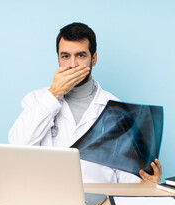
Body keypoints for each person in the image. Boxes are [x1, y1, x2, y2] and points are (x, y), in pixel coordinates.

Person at [9, 22, 162, 183]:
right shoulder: (37, 99)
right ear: (58, 59)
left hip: (102, 201)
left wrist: (143, 182)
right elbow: (18, 147)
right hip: (50, 199)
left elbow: (124, 172)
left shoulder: (116, 108)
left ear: (93, 59)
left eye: (81, 55)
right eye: (65, 56)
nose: (72, 65)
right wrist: (54, 94)